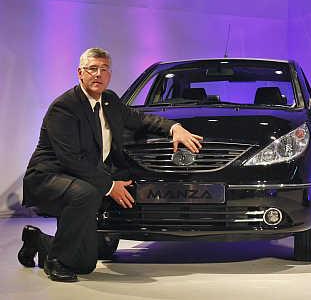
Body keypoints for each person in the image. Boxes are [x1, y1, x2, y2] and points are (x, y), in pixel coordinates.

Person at [18, 47, 203, 282]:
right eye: (92, 69)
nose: (98, 74)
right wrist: (110, 185)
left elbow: (140, 119)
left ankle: (38, 241)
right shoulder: (64, 107)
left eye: (103, 69)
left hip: (82, 177)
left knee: (86, 263)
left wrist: (173, 128)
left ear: (109, 75)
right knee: (84, 193)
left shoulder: (110, 101)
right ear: (80, 73)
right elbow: (71, 159)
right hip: (49, 176)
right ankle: (57, 261)